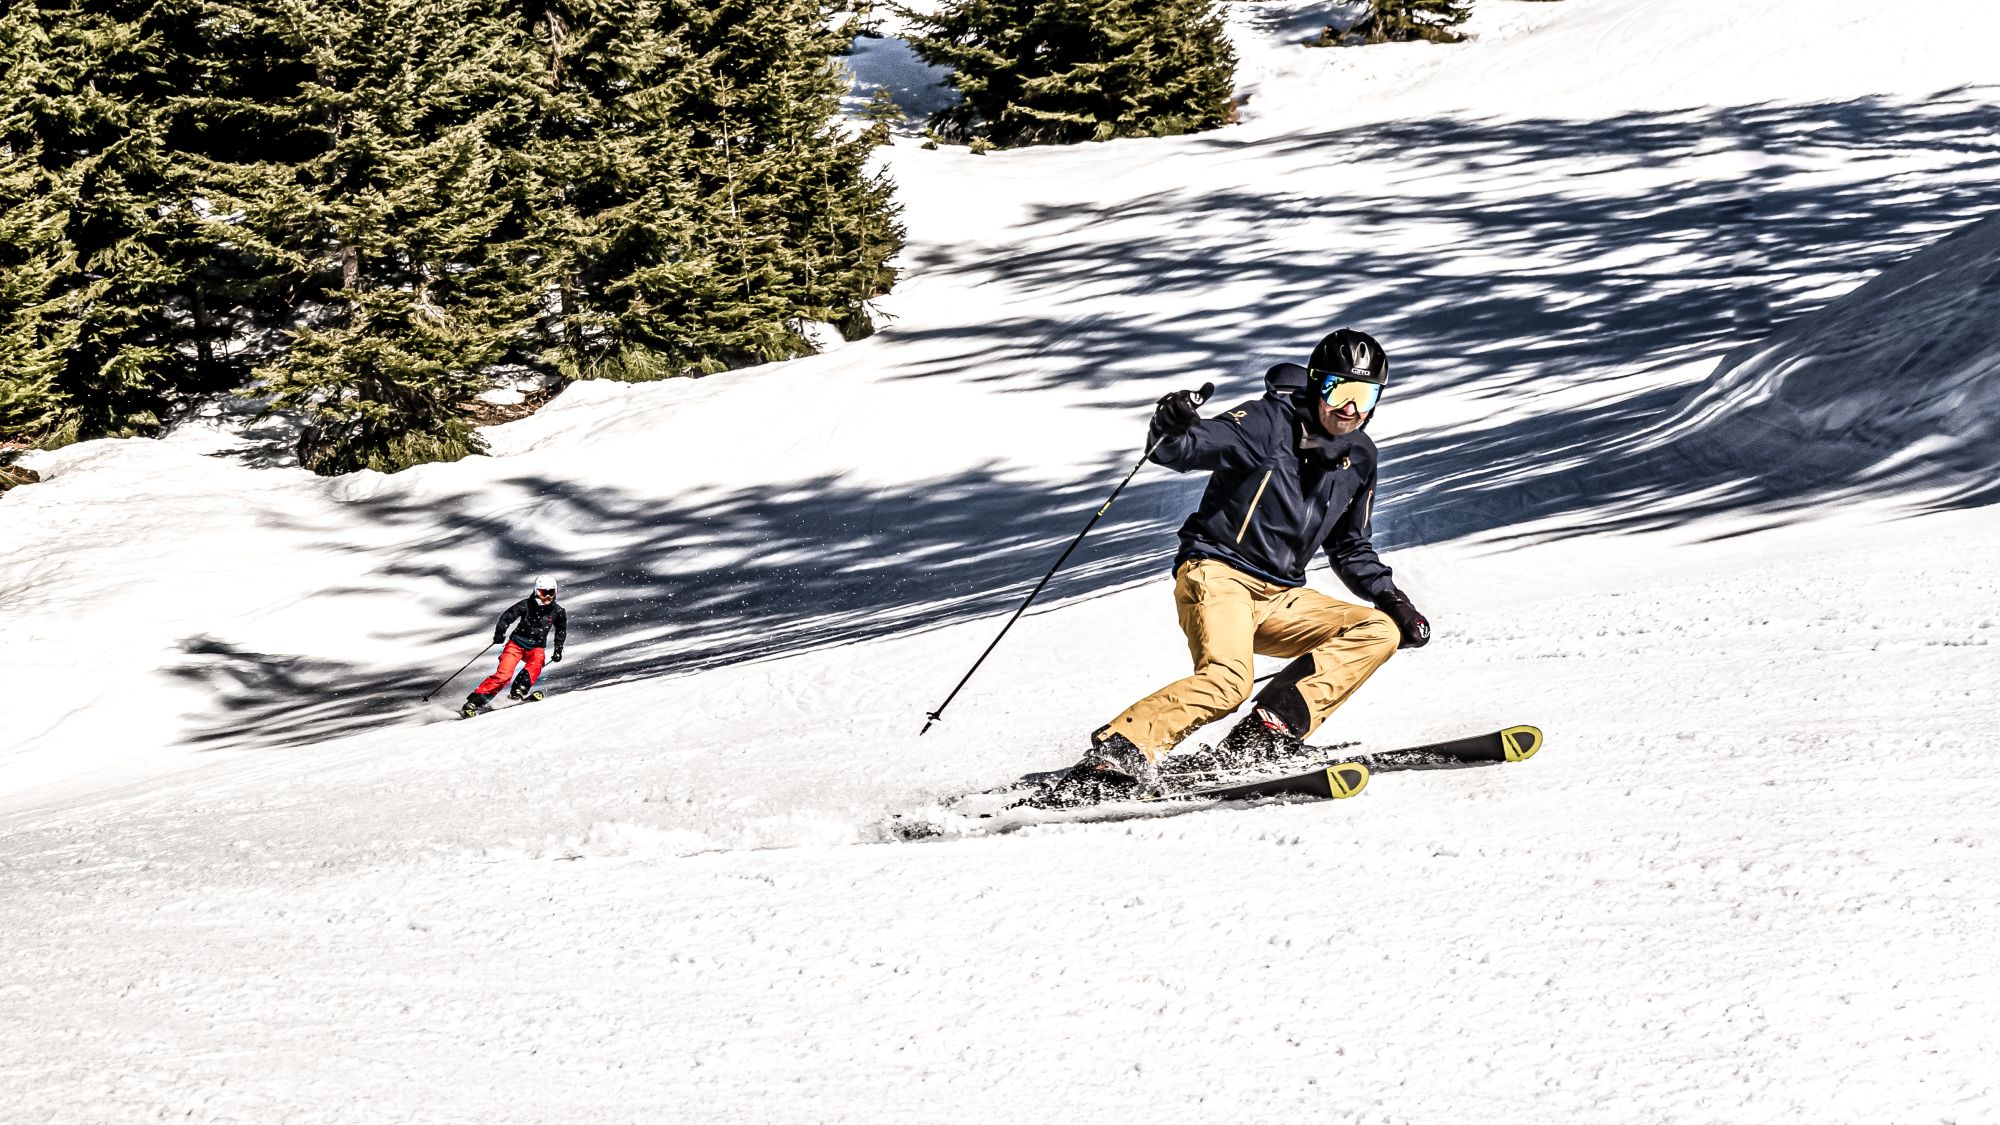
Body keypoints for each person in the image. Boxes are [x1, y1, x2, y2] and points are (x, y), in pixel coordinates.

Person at [1073, 329, 1431, 786]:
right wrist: (1171, 424)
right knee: (1228, 682)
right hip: (1217, 575)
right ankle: (1120, 753)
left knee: (1375, 629)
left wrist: (1394, 601)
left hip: (1280, 595)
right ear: (1316, 384)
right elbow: (1181, 450)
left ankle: (1267, 731)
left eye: (1364, 394)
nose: (1350, 408)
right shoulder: (1266, 423)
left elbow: (1349, 545)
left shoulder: (1360, 456)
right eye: (1340, 391)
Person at [462, 576, 567, 717]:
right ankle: (475, 702)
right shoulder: (526, 605)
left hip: (536, 647)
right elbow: (507, 617)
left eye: (551, 592)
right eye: (543, 593)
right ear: (536, 592)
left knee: (537, 662)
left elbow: (561, 630)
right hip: (516, 644)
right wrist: (500, 633)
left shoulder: (557, 611)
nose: (547, 597)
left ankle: (519, 690)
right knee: (504, 675)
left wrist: (558, 649)